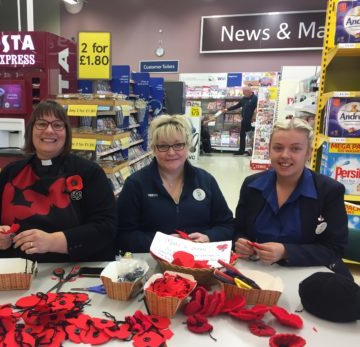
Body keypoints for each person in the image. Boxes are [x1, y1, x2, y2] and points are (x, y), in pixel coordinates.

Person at [0, 100, 116, 262]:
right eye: (41, 124)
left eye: (58, 125)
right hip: (16, 271)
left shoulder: (89, 173)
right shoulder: (11, 173)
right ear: (31, 130)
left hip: (72, 269)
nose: (49, 130)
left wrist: (53, 242)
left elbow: (106, 226)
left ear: (66, 132)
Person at [234, 118, 352, 279]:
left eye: (295, 149)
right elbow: (238, 229)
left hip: (309, 276)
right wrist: (241, 242)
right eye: (278, 148)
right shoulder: (252, 185)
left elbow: (334, 248)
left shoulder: (329, 191)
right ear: (269, 149)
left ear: (308, 152)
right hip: (258, 273)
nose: (285, 155)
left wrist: (286, 252)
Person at [116, 114, 234, 253]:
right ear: (153, 149)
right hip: (153, 264)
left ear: (188, 146)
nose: (171, 152)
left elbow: (227, 226)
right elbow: (122, 235)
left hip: (200, 264)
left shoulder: (206, 180)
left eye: (178, 145)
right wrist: (160, 242)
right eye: (163, 146)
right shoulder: (136, 184)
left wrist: (208, 237)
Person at [222, 86, 257, 156]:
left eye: (244, 92)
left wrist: (254, 116)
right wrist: (227, 109)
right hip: (244, 120)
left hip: (252, 121)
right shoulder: (244, 99)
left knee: (251, 136)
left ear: (249, 92)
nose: (243, 94)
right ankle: (241, 151)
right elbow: (237, 106)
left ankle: (253, 151)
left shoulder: (255, 98)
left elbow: (257, 108)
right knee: (242, 135)